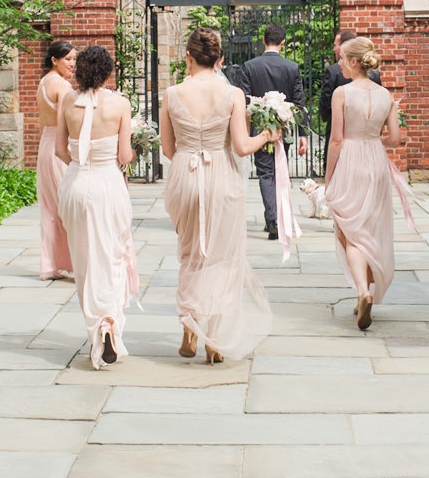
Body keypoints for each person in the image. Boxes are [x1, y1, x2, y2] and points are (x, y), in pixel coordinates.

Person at [161, 27, 278, 363]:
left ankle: (189, 322)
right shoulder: (231, 94)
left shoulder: (171, 94)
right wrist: (267, 136)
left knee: (190, 252)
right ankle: (213, 340)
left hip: (185, 173)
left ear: (188, 57)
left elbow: (169, 149)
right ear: (220, 59)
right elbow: (242, 147)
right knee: (222, 257)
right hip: (222, 177)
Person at [55, 46, 138, 370]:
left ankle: (96, 329)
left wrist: (81, 164)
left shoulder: (67, 101)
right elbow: (125, 156)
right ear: (106, 72)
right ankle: (109, 323)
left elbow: (61, 150)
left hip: (76, 185)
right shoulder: (119, 104)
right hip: (107, 186)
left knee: (85, 262)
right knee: (112, 256)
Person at [325, 37, 405, 331]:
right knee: (370, 228)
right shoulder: (387, 95)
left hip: (350, 160)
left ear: (354, 62)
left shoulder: (342, 93)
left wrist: (329, 177)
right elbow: (395, 138)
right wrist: (374, 141)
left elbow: (336, 139)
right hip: (376, 159)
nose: (340, 64)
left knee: (350, 231)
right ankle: (365, 294)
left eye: (343, 59)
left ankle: (363, 291)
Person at [237, 24, 306, 241]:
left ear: (264, 41)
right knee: (279, 171)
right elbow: (299, 103)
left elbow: (243, 100)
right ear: (283, 43)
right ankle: (277, 218)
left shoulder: (249, 66)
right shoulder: (292, 67)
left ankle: (273, 220)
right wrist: (302, 133)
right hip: (283, 129)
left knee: (265, 173)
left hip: (260, 130)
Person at [35, 41, 76, 281]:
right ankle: (76, 262)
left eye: (74, 59)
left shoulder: (43, 83)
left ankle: (51, 264)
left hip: (45, 146)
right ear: (54, 59)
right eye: (68, 59)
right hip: (60, 146)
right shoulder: (62, 85)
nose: (73, 64)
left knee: (50, 207)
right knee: (69, 207)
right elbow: (65, 124)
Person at [318, 29, 381, 145]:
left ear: (343, 46)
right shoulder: (374, 73)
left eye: (335, 45)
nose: (333, 49)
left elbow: (325, 104)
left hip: (339, 132)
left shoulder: (333, 71)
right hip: (368, 137)